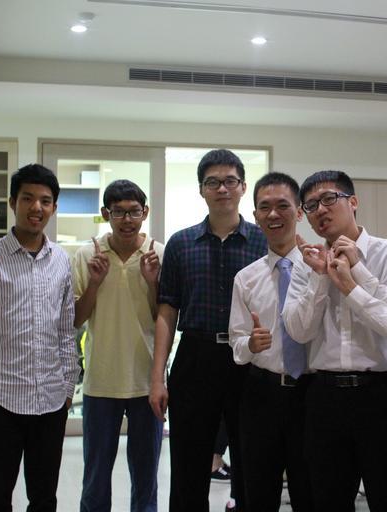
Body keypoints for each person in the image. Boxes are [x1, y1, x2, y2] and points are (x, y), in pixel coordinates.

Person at [0, 163, 80, 511]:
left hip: (51, 401)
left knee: (44, 497)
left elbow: (65, 330)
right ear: (13, 202)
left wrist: (68, 385)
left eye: (45, 201)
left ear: (54, 207)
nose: (36, 207)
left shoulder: (61, 260)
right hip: (1, 401)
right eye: (27, 198)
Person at [148, 149, 267, 512]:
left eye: (230, 181)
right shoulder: (181, 243)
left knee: (252, 459)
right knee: (189, 462)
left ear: (242, 187)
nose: (222, 189)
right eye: (213, 182)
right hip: (195, 358)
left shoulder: (263, 241)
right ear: (201, 189)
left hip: (249, 360)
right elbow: (167, 310)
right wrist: (158, 377)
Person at [282, 170, 387, 512]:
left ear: (353, 202)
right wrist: (321, 278)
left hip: (383, 393)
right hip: (325, 396)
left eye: (329, 199)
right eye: (311, 206)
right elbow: (299, 331)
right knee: (328, 500)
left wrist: (356, 275)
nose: (320, 210)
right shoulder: (304, 263)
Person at [73, 179, 163, 512]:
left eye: (134, 212)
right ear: (105, 214)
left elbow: (164, 318)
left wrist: (153, 282)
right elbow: (76, 319)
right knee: (95, 478)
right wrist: (94, 283)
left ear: (145, 212)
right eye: (119, 212)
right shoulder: (88, 255)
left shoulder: (158, 253)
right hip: (101, 381)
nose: (127, 220)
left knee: (146, 477)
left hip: (146, 382)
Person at [229, 172, 313, 512]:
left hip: (311, 394)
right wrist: (250, 344)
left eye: (283, 206)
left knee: (311, 491)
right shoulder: (246, 278)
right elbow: (236, 343)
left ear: (299, 211)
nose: (274, 214)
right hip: (262, 395)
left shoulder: (320, 268)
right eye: (265, 207)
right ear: (255, 216)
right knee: (259, 492)